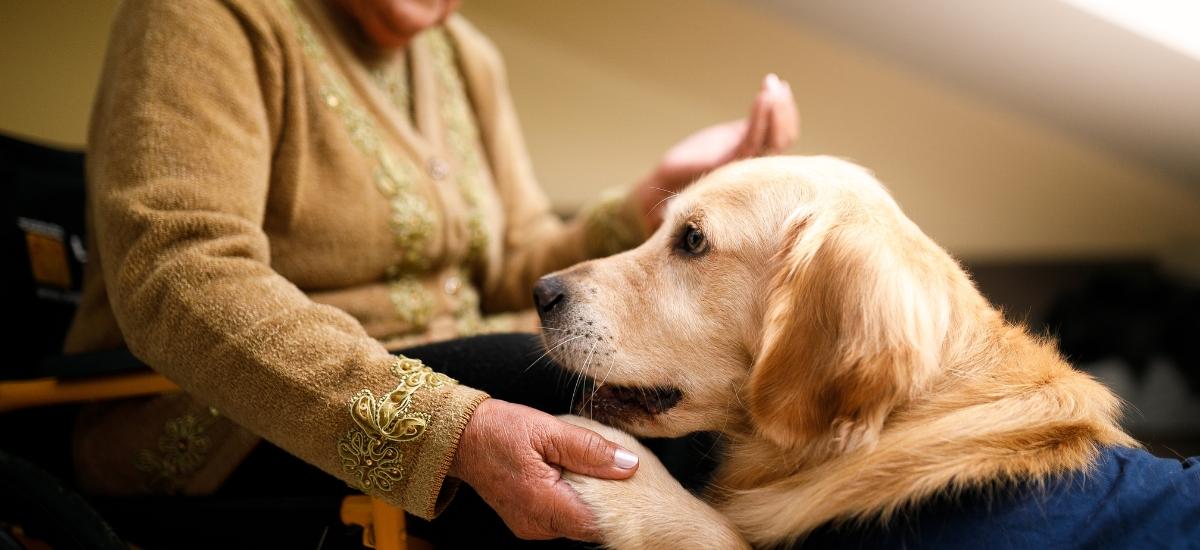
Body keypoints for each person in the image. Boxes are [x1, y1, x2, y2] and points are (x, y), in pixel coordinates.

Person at [62, 0, 798, 544]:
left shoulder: (464, 56)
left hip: (459, 365)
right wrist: (448, 428)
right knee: (576, 396)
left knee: (716, 419)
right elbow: (175, 274)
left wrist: (649, 198)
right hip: (227, 424)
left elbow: (517, 266)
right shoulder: (208, 14)